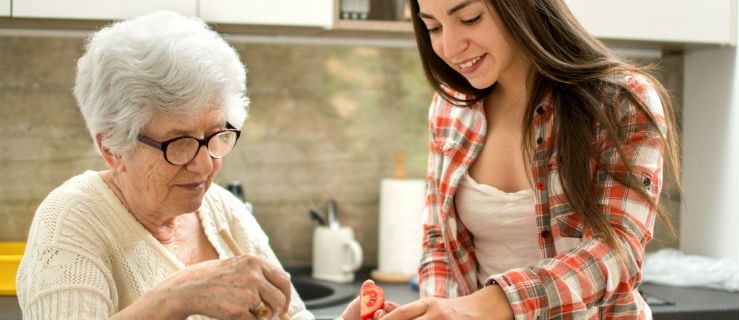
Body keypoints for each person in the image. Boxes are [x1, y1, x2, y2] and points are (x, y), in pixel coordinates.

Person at [15, 10, 396, 320]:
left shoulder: (222, 210)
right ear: (113, 148)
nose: (203, 165)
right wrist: (174, 299)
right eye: (179, 143)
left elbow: (289, 317)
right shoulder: (70, 222)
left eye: (216, 135)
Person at [380, 0, 681, 319]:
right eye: (433, 28)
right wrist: (436, 311)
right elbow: (439, 241)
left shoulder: (620, 101)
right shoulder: (450, 108)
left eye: (470, 19)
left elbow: (616, 254)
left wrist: (489, 305)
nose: (450, 48)